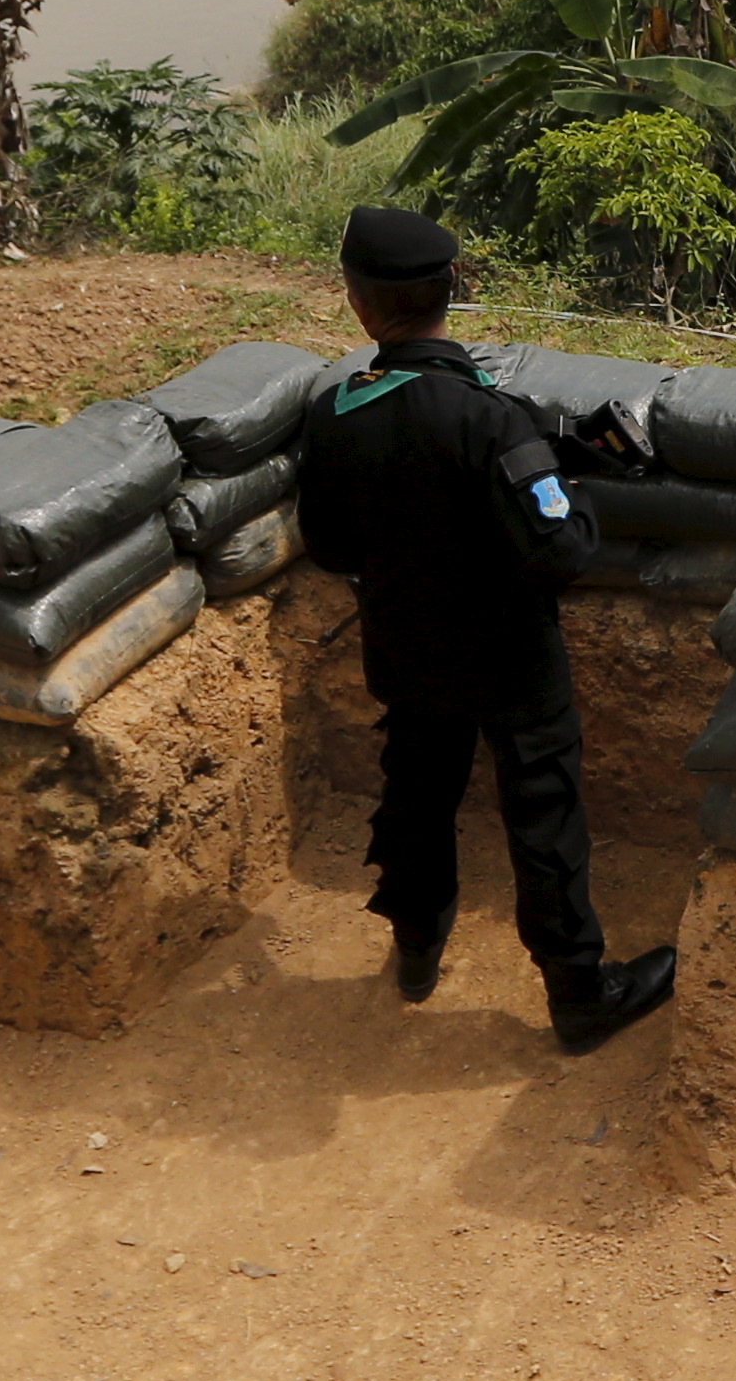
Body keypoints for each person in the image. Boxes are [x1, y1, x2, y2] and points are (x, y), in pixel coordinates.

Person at [288, 202, 677, 1055]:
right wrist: (564, 481)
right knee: (542, 813)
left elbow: (328, 545)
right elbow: (561, 550)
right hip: (510, 653)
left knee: (418, 792)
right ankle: (580, 993)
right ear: (452, 291)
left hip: (405, 644)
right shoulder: (491, 418)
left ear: (358, 303)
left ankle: (417, 949)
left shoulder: (333, 413)